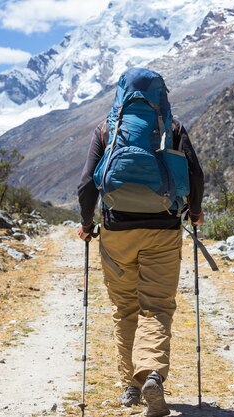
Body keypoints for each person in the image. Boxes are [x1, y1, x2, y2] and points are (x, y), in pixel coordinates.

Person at [77, 68, 204, 417]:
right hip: (163, 229)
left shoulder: (107, 130)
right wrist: (195, 212)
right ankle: (150, 373)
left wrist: (87, 224)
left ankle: (130, 389)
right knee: (157, 306)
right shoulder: (173, 129)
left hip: (117, 231)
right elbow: (195, 174)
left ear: (121, 94)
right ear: (161, 95)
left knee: (125, 308)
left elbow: (87, 183)